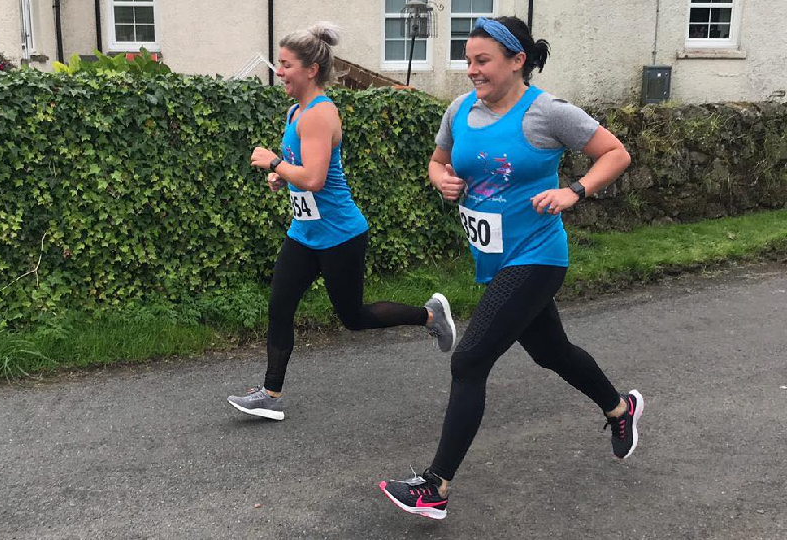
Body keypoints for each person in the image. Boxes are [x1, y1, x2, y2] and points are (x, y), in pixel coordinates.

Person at [378, 16, 643, 520]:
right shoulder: (460, 111)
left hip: (538, 256)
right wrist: (443, 180)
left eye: (483, 61)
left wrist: (573, 191)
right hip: (496, 261)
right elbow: (439, 161)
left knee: (470, 359)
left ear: (517, 61)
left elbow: (615, 152)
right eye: (468, 61)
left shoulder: (547, 112)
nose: (472, 71)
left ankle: (435, 487)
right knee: (552, 352)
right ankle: (620, 408)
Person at [227, 22, 456, 421]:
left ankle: (430, 315)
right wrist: (283, 176)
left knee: (354, 317)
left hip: (340, 235)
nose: (278, 72)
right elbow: (307, 171)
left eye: (285, 65)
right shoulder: (295, 111)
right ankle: (270, 393)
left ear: (310, 70)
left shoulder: (319, 114)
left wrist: (275, 161)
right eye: (279, 64)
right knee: (280, 308)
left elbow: (315, 179)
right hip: (305, 233)